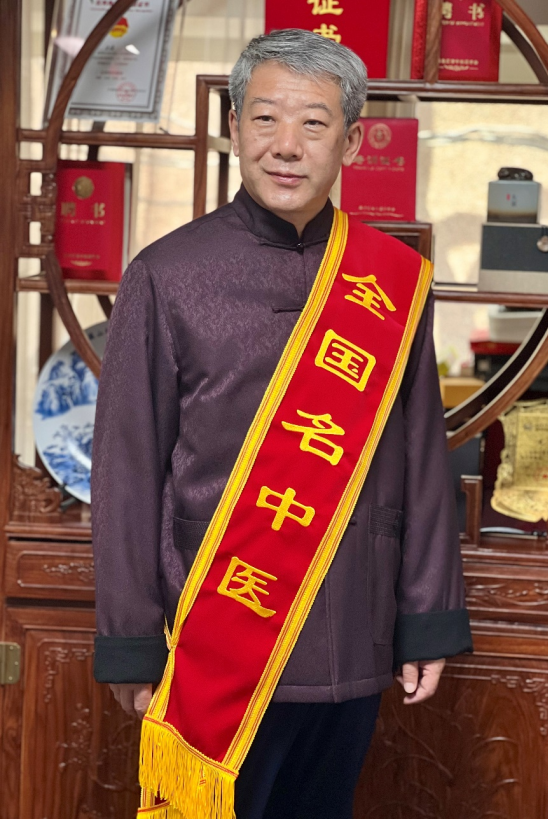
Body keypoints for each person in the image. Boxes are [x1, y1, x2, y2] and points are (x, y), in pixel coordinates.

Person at [92, 29, 472, 819]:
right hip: (216, 633)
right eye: (265, 118)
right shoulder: (166, 274)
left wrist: (427, 620)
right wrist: (131, 636)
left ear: (352, 141)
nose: (286, 146)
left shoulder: (392, 280)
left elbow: (421, 459)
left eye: (313, 123)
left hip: (357, 625)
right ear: (235, 128)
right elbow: (127, 467)